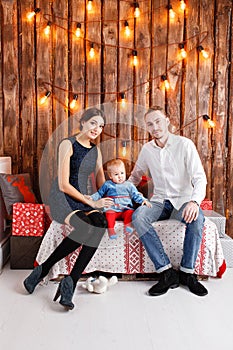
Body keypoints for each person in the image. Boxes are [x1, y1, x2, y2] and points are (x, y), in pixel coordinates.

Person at [23, 107, 114, 310]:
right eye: (93, 123)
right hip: (62, 197)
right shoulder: (67, 144)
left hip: (84, 198)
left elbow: (101, 183)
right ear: (82, 122)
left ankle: (69, 280)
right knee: (85, 228)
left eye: (101, 126)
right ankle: (46, 270)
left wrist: (110, 200)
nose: (97, 129)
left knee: (99, 223)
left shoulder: (95, 150)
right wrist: (91, 203)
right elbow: (64, 184)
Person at [129, 107, 208, 297]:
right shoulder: (147, 149)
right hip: (159, 201)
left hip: (183, 201)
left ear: (167, 120)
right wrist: (120, 193)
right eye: (150, 124)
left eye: (158, 121)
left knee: (197, 220)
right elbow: (135, 177)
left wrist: (194, 203)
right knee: (139, 216)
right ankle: (166, 272)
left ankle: (188, 273)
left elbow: (200, 179)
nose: (155, 127)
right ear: (147, 128)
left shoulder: (185, 144)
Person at [90, 158, 151, 239]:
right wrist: (90, 198)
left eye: (122, 173)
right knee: (109, 214)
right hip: (113, 209)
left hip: (125, 210)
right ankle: (111, 230)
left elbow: (136, 195)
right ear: (110, 176)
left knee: (130, 213)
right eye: (116, 174)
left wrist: (144, 200)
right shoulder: (107, 184)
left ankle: (127, 226)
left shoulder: (129, 185)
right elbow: (99, 194)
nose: (120, 176)